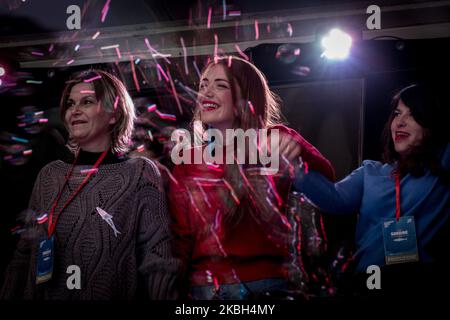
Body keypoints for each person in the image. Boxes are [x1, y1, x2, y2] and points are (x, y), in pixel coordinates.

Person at [0, 69, 180, 300]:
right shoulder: (50, 175)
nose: (74, 111)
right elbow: (24, 255)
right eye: (70, 103)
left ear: (114, 114)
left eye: (86, 102)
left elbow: (158, 258)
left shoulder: (139, 172)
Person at [168, 56, 335, 299]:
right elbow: (180, 238)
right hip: (205, 290)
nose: (207, 92)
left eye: (220, 85)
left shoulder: (273, 141)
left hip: (267, 286)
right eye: (203, 85)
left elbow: (327, 181)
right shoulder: (188, 159)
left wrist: (296, 148)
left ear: (246, 98)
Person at [294, 83, 449, 296]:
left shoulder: (443, 168)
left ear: (431, 124)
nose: (400, 122)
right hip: (369, 279)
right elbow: (334, 198)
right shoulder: (370, 172)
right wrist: (293, 168)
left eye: (412, 115)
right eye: (397, 114)